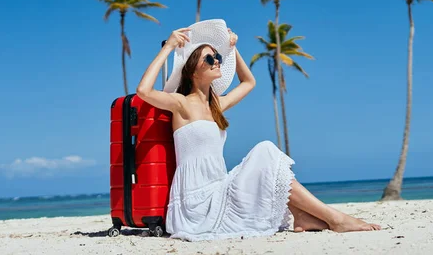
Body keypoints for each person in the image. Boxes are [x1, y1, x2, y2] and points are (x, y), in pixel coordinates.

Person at [136, 21, 381, 241]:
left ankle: (305, 216)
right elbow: (143, 91)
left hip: (219, 187)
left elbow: (249, 82)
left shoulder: (216, 105)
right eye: (209, 59)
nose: (216, 61)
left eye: (217, 56)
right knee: (265, 151)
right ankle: (335, 218)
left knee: (267, 162)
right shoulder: (181, 103)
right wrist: (168, 47)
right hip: (198, 202)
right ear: (192, 70)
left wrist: (232, 49)